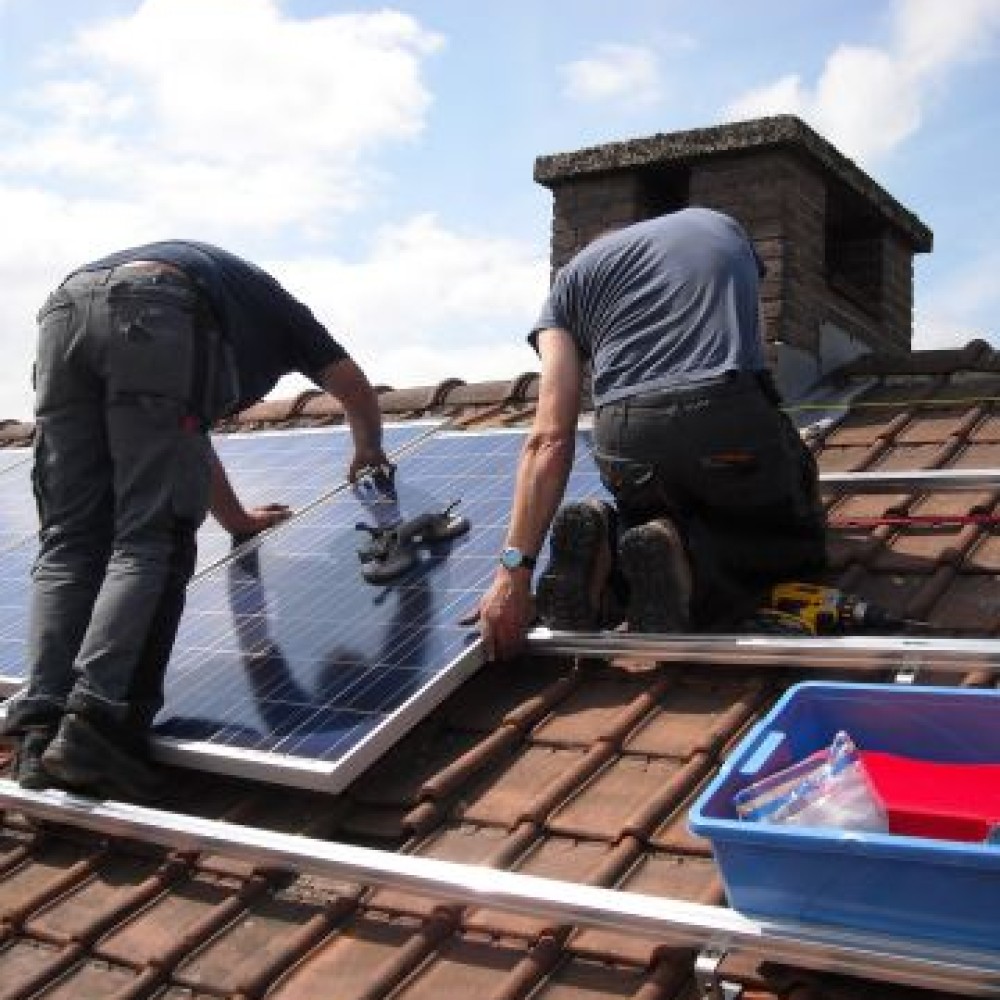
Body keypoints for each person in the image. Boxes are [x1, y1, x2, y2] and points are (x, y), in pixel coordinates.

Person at [4, 240, 388, 798]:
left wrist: (235, 518)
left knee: (69, 540)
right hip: (155, 306)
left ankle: (41, 727)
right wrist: (369, 449)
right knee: (151, 538)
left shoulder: (234, 302)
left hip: (64, 312)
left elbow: (185, 441)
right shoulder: (285, 317)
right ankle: (98, 727)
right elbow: (353, 387)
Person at [476, 207, 827, 662]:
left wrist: (513, 574)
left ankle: (608, 537)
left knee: (655, 513)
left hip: (626, 439)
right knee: (793, 539)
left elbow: (549, 437)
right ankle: (694, 567)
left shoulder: (567, 284)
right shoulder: (719, 224)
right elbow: (754, 353)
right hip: (725, 411)